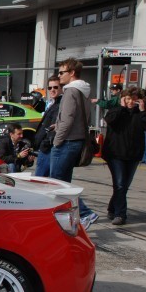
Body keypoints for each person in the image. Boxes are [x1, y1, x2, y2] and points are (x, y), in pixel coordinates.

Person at [50, 58, 99, 230]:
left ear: (72, 73)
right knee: (64, 184)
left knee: (57, 184)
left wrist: (57, 141)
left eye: (61, 72)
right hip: (76, 141)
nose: (59, 76)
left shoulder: (71, 91)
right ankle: (74, 217)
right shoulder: (83, 91)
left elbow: (68, 119)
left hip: (67, 142)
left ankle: (85, 213)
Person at [101, 87, 146, 225]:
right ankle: (120, 214)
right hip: (115, 154)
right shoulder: (116, 111)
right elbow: (110, 120)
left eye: (134, 99)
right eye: (128, 99)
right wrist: (121, 108)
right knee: (120, 184)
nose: (131, 102)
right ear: (123, 99)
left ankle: (112, 208)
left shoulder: (142, 113)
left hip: (133, 155)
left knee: (123, 186)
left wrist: (143, 111)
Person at [33, 77, 62, 177]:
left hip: (48, 148)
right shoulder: (54, 103)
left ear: (61, 88)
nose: (52, 90)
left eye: (55, 87)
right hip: (46, 147)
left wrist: (44, 143)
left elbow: (53, 128)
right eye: (50, 88)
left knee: (40, 180)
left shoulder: (60, 105)